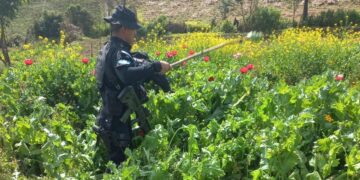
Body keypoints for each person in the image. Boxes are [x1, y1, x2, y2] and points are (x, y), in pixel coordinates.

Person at [94, 5, 172, 165]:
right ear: (123, 28)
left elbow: (133, 66)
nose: (135, 33)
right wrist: (155, 66)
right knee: (120, 169)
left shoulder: (109, 48)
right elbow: (127, 75)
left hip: (110, 119)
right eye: (133, 29)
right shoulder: (118, 51)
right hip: (116, 126)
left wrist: (154, 73)